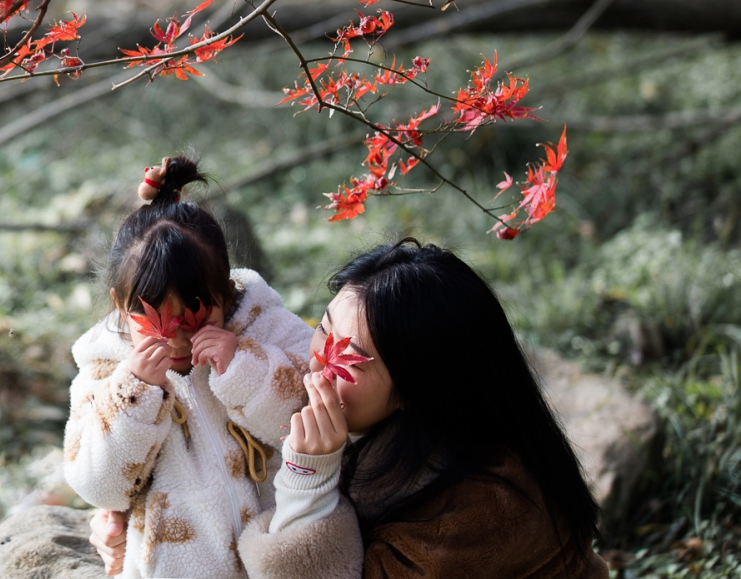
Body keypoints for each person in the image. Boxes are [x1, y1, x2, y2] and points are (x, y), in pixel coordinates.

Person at [91, 239, 610, 579]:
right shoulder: (387, 428)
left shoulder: (481, 506)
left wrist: (306, 478)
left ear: (418, 388)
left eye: (351, 358)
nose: (316, 364)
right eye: (323, 328)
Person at [65, 158, 315, 578]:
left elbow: (321, 411)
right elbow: (97, 485)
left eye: (198, 318)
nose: (178, 340)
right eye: (156, 324)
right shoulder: (104, 368)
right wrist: (133, 394)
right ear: (119, 305)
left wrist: (246, 368)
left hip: (280, 556)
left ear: (227, 293)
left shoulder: (265, 325)